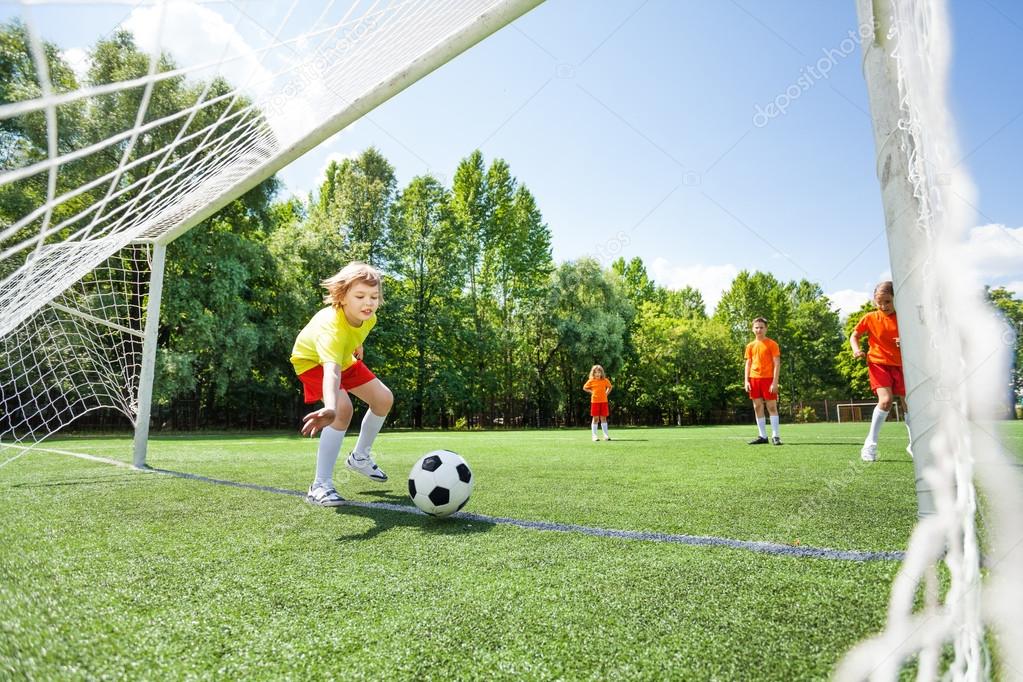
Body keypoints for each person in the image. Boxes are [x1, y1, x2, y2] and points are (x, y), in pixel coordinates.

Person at [291, 262, 394, 506]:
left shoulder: (369, 319)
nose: (368, 303)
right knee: (343, 409)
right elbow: (331, 372)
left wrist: (357, 344)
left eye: (374, 297)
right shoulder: (331, 329)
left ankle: (359, 458)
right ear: (342, 297)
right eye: (360, 296)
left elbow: (353, 335)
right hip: (312, 362)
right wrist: (331, 406)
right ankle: (320, 485)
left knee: (383, 399)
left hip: (342, 357)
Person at [850, 280, 911, 462]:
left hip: (902, 365)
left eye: (887, 301)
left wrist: (907, 341)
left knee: (909, 404)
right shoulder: (870, 318)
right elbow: (854, 335)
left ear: (896, 299)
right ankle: (870, 445)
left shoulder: (906, 318)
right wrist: (856, 349)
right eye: (879, 302)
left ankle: (914, 444)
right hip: (878, 363)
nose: (883, 306)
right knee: (885, 401)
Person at [744, 317, 782, 445]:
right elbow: (748, 364)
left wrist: (775, 382)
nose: (759, 330)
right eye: (756, 327)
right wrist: (746, 381)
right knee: (757, 406)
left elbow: (777, 364)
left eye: (761, 327)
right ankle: (762, 436)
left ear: (766, 329)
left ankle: (775, 436)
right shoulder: (750, 346)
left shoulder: (772, 344)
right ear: (752, 329)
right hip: (754, 379)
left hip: (769, 379)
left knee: (771, 406)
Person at [583, 365, 613, 441]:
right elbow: (584, 387)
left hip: (604, 401)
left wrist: (606, 393)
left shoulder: (605, 380)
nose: (597, 374)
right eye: (595, 372)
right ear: (593, 373)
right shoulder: (591, 380)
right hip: (595, 402)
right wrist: (591, 392)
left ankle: (606, 435)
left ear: (601, 373)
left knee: (603, 418)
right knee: (595, 418)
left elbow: (610, 387)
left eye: (599, 372)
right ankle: (594, 436)